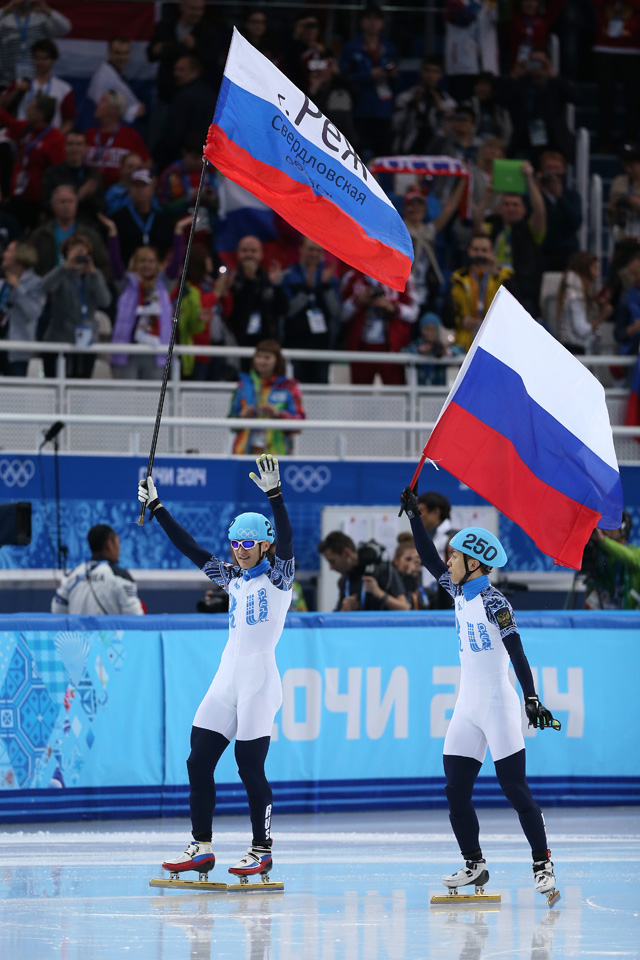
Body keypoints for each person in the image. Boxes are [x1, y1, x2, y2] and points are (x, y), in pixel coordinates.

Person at [137, 454, 294, 882]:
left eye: (249, 544)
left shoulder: (279, 578)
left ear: (266, 546)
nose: (240, 551)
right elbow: (192, 550)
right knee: (197, 762)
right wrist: (158, 508)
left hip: (260, 683)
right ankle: (201, 847)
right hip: (226, 680)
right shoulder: (231, 578)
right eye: (235, 543)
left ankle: (261, 850)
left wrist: (276, 499)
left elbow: (290, 540)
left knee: (249, 766)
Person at [399, 485, 560, 901]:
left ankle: (542, 863)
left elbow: (517, 651)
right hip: (467, 706)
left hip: (497, 705)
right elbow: (429, 557)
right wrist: (415, 515)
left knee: (515, 790)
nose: (446, 560)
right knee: (455, 791)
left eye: (455, 556)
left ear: (474, 563)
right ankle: (474, 864)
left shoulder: (496, 602)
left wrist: (530, 696)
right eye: (450, 554)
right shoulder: (457, 590)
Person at [37, 232, 111, 378]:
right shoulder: (61, 273)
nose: (79, 256)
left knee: (81, 386)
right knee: (55, 382)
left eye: (82, 252)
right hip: (58, 337)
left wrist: (94, 274)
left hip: (87, 339)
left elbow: (105, 301)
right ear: (66, 254)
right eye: (75, 251)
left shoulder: (94, 275)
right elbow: (44, 287)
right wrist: (65, 268)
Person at [477, 161, 546, 317]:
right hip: (493, 286)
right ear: (500, 208)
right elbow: (476, 224)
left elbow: (540, 212)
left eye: (515, 205)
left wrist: (530, 180)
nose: (510, 208)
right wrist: (487, 197)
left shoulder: (530, 230)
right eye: (506, 204)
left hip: (522, 291)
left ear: (524, 210)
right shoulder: (493, 227)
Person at [338, 4, 398, 159]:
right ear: (361, 22)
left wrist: (392, 74)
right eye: (369, 19)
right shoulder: (351, 47)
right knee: (358, 152)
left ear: (382, 23)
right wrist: (368, 75)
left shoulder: (389, 48)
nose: (373, 23)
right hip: (360, 106)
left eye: (377, 19)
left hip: (383, 107)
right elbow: (344, 77)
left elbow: (397, 79)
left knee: (383, 153)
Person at [340, 270, 419, 385]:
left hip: (392, 348)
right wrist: (357, 301)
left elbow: (414, 314)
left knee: (395, 396)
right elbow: (341, 315)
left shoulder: (403, 275)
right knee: (360, 397)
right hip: (360, 347)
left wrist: (393, 307)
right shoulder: (352, 276)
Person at [228, 340, 306, 456]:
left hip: (277, 454)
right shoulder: (243, 385)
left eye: (267, 357)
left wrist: (279, 414)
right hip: (244, 453)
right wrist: (242, 416)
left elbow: (300, 424)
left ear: (277, 360)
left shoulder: (289, 387)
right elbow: (231, 423)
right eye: (259, 356)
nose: (262, 361)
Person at [280, 238, 341, 384]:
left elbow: (336, 311)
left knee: (320, 388)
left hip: (322, 345)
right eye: (310, 249)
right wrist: (307, 289)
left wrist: (325, 287)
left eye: (318, 251)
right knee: (296, 387)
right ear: (301, 249)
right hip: (295, 343)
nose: (314, 254)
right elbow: (287, 311)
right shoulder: (288, 276)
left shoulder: (329, 278)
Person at [0, 93, 64, 228]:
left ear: (41, 115)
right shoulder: (25, 129)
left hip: (37, 205)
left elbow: (58, 176)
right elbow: (6, 120)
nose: (27, 110)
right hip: (16, 199)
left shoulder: (55, 139)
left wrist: (47, 210)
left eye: (31, 107)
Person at [51, 524, 143, 615]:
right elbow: (134, 617)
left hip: (78, 630)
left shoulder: (72, 576)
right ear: (109, 544)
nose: (119, 548)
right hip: (110, 630)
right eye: (118, 542)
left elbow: (57, 611)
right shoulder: (120, 576)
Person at [447, 232, 515, 352]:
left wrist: (497, 274)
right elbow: (446, 316)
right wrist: (461, 320)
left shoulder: (505, 277)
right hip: (464, 345)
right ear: (469, 251)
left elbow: (515, 309)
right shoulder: (457, 279)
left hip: (496, 343)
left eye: (484, 250)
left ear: (492, 253)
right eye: (476, 250)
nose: (479, 254)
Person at [222, 236, 287, 358]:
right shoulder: (230, 281)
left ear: (261, 254)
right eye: (245, 251)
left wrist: (276, 285)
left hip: (267, 344)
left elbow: (283, 309)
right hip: (239, 344)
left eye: (253, 251)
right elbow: (230, 313)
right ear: (238, 253)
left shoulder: (269, 279)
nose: (249, 254)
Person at [29, 183, 109, 278]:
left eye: (70, 201)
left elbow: (105, 266)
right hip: (47, 287)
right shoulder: (40, 234)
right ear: (53, 205)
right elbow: (29, 265)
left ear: (76, 205)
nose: (66, 206)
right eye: (62, 202)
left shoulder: (90, 235)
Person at [317, 530, 409, 612]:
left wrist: (378, 593)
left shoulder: (383, 570)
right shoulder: (345, 580)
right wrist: (345, 610)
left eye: (332, 561)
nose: (331, 567)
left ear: (347, 553)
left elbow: (405, 607)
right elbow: (337, 619)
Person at [153, 54, 216, 172]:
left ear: (194, 72)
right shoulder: (213, 96)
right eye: (175, 70)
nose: (175, 74)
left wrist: (158, 156)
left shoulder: (183, 96)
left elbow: (174, 132)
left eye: (181, 70)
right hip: (207, 159)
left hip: (182, 160)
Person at [1, 38, 74, 131]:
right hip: (22, 136)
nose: (40, 62)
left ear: (53, 59)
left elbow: (68, 121)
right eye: (37, 58)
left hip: (49, 138)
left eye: (44, 58)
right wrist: (16, 91)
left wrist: (57, 138)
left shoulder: (64, 88)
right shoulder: (21, 82)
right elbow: (2, 105)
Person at [392, 54, 457, 154]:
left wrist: (440, 111)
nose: (430, 75)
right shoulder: (405, 98)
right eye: (427, 70)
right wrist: (412, 105)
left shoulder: (449, 103)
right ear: (421, 72)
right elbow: (396, 126)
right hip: (408, 151)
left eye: (435, 72)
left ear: (441, 75)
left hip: (437, 153)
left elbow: (449, 133)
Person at [85, 91, 150, 190]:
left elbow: (147, 163)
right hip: (90, 192)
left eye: (103, 101)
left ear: (114, 109)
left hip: (121, 194)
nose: (97, 104)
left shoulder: (131, 135)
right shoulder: (88, 135)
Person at [0, 0, 71, 89]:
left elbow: (65, 28)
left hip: (38, 81)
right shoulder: (4, 20)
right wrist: (6, 9)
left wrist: (47, 10)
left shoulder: (41, 18)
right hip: (8, 81)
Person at [111, 168, 175, 266]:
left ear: (152, 189)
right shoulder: (117, 219)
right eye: (136, 185)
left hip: (158, 275)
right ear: (130, 189)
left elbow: (170, 249)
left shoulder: (164, 220)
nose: (140, 189)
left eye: (143, 185)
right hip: (127, 275)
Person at [0, 240, 45, 376]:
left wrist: (18, 288)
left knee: (15, 393)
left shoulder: (36, 283)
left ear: (20, 256)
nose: (4, 254)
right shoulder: (2, 282)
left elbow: (33, 312)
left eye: (9, 251)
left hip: (17, 350)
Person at [41, 128, 105, 223]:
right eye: (70, 144)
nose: (74, 149)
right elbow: (46, 206)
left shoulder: (93, 176)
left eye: (78, 144)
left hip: (87, 227)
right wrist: (79, 196)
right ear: (64, 147)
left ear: (86, 148)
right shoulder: (52, 174)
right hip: (58, 226)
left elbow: (101, 208)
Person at [556, 251, 613, 355]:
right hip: (575, 352)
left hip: (575, 350)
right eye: (595, 268)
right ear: (584, 270)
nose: (597, 274)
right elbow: (581, 329)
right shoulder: (575, 295)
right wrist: (602, 316)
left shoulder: (576, 291)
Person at [582, 512, 640, 610]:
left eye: (611, 525)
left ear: (623, 528)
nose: (605, 529)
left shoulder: (635, 552)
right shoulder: (602, 555)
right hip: (605, 614)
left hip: (631, 619)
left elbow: (631, 559)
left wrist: (603, 541)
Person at [537, 151, 582, 272]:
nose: (553, 173)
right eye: (548, 168)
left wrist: (560, 197)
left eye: (557, 169)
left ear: (564, 171)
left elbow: (576, 222)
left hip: (567, 254)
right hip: (541, 253)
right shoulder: (535, 197)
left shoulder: (571, 195)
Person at [86, 36, 145, 127]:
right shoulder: (103, 78)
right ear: (109, 53)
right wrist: (134, 112)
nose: (122, 57)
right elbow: (99, 109)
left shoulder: (115, 73)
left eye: (126, 53)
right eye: (118, 53)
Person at [393, 536, 430, 609]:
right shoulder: (389, 583)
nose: (413, 563)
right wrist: (409, 576)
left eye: (416, 559)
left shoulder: (423, 589)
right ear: (397, 561)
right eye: (408, 559)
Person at [103, 150, 143, 216]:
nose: (134, 171)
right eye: (130, 167)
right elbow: (112, 213)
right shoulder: (113, 191)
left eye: (138, 168)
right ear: (122, 168)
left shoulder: (146, 190)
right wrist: (129, 197)